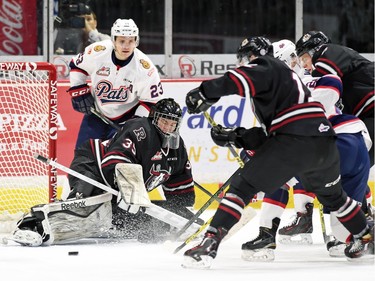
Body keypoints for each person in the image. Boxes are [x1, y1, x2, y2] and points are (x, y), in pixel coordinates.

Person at [181, 36, 374, 269]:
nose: (246, 62)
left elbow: (237, 79)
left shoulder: (268, 66)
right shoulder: (293, 81)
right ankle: (365, 233)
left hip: (301, 139)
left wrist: (203, 92)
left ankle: (210, 243)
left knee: (243, 186)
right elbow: (271, 136)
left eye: (248, 57)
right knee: (335, 198)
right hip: (325, 142)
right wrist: (236, 136)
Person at [239, 39, 373, 261]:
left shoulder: (291, 85)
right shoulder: (303, 80)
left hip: (331, 146)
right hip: (354, 142)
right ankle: (358, 228)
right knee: (343, 229)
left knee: (278, 170)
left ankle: (270, 233)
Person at [10, 98, 197, 246]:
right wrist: (130, 192)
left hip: (119, 191)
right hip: (92, 164)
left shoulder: (177, 149)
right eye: (164, 121)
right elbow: (116, 161)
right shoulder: (140, 129)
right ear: (154, 118)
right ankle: (30, 225)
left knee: (132, 220)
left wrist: (180, 216)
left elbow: (181, 193)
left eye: (172, 123)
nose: (168, 127)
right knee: (81, 206)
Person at [68, 18, 163, 149]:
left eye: (131, 41)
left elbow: (151, 102)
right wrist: (79, 91)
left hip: (126, 120)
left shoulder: (145, 69)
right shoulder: (98, 51)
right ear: (113, 40)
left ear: (137, 41)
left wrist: (134, 124)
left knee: (117, 162)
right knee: (83, 155)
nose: (126, 46)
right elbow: (77, 65)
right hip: (96, 114)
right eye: (122, 41)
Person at [295, 31, 374, 167]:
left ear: (315, 50)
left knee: (349, 164)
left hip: (370, 112)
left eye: (304, 58)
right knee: (355, 167)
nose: (303, 65)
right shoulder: (343, 64)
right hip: (367, 116)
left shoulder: (328, 51)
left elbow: (321, 80)